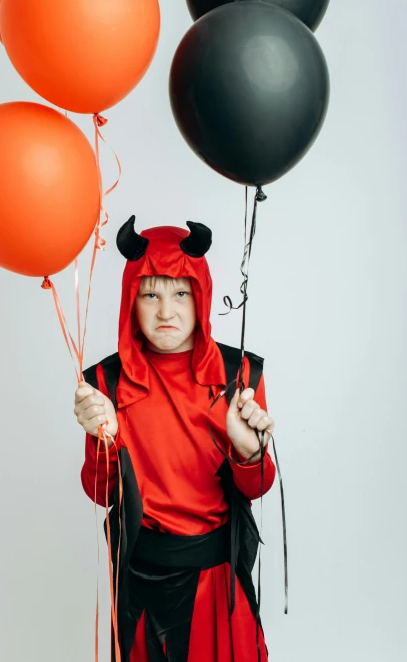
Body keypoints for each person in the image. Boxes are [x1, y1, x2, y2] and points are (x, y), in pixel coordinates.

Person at [74, 216, 276, 662]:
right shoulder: (106, 382)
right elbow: (100, 492)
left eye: (180, 292)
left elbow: (257, 486)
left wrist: (248, 451)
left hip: (215, 578)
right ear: (131, 301)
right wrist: (103, 440)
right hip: (141, 577)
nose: (166, 312)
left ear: (200, 295)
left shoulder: (237, 375)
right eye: (151, 294)